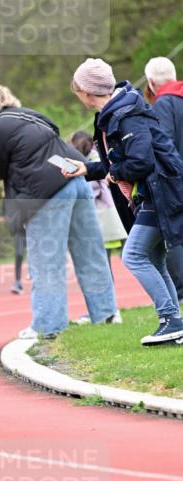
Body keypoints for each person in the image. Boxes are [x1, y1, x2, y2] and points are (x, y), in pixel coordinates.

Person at [0, 78, 118, 339]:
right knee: (90, 252)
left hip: (47, 192)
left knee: (47, 261)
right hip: (76, 175)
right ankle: (107, 313)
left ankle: (48, 326)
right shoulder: (33, 115)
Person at [69, 58, 183, 345]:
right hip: (153, 194)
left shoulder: (127, 114)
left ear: (86, 90)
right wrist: (88, 170)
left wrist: (113, 174)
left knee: (132, 255)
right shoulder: (113, 113)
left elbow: (140, 161)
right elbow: (118, 162)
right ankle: (173, 322)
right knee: (154, 259)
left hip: (162, 193)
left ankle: (171, 319)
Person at [144, 56, 183, 299]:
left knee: (175, 236)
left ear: (150, 82)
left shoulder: (163, 104)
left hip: (176, 181)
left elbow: (163, 144)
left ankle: (179, 292)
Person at [70, 131, 126, 281]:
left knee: (107, 256)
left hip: (104, 212)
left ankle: (110, 290)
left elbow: (96, 187)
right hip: (106, 211)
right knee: (115, 253)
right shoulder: (94, 158)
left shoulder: (94, 159)